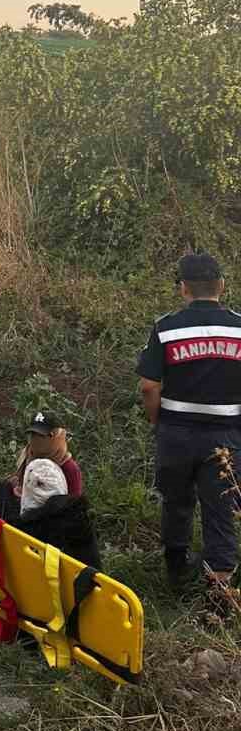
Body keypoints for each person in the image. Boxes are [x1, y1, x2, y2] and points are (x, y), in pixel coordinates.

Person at [137, 251, 241, 592]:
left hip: (176, 433)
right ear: (222, 286)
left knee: (176, 501)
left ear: (183, 289)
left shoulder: (166, 328)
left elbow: (149, 385)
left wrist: (159, 423)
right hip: (227, 435)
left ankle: (176, 571)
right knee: (221, 508)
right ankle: (220, 591)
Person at [0, 410, 98, 565]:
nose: (37, 440)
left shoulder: (69, 469)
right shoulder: (28, 457)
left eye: (43, 436)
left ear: (57, 436)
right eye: (34, 435)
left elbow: (72, 510)